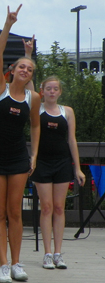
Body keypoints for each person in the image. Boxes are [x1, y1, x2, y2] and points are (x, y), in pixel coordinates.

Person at [0, 5, 40, 283]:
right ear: (12, 71)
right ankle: (3, 264)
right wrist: (8, 24)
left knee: (16, 212)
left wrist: (35, 155)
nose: (25, 71)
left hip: (18, 158)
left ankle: (17, 262)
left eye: (29, 69)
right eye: (21, 67)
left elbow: (36, 127)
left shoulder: (33, 98)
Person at [31, 76, 85, 270]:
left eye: (55, 89)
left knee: (59, 207)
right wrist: (28, 53)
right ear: (42, 91)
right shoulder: (36, 109)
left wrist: (77, 167)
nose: (52, 92)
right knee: (46, 207)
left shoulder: (67, 111)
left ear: (60, 92)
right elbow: (28, 89)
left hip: (62, 162)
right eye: (49, 88)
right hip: (42, 162)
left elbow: (72, 139)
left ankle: (58, 253)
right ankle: (47, 253)